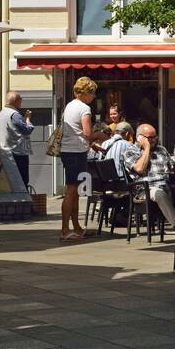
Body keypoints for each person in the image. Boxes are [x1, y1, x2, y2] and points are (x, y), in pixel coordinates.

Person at [59, 77, 98, 242]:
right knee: (71, 191)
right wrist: (101, 135)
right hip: (76, 152)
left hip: (67, 150)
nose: (94, 96)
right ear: (87, 93)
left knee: (73, 191)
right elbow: (87, 134)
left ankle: (76, 227)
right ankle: (65, 230)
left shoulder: (70, 105)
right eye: (93, 93)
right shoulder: (85, 109)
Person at [122, 124, 175, 228]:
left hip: (167, 185)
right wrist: (146, 148)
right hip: (146, 188)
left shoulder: (161, 150)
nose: (154, 140)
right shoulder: (131, 151)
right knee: (159, 193)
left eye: (155, 136)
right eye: (150, 138)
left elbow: (172, 169)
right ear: (140, 138)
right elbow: (140, 169)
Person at [0, 92, 35, 187]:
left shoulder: (2, 112)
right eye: (20, 100)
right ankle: (23, 200)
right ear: (15, 101)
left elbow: (14, 127)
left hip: (5, 151)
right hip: (18, 153)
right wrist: (27, 119)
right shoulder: (15, 114)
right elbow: (27, 130)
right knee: (23, 181)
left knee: (11, 181)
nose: (21, 102)